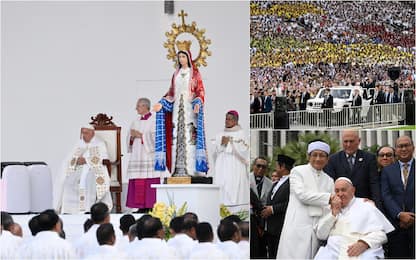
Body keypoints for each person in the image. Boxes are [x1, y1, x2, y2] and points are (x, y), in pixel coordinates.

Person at [153, 46, 208, 176]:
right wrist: (161, 103)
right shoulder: (176, 74)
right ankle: (176, 169)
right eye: (179, 57)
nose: (181, 59)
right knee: (176, 135)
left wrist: (198, 101)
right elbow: (171, 92)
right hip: (177, 108)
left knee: (190, 136)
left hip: (190, 109)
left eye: (183, 56)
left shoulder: (194, 73)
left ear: (188, 58)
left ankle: (192, 170)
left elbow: (200, 90)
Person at [277, 140, 336, 259]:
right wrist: (328, 198)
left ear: (327, 159)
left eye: (322, 155)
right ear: (308, 156)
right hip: (297, 226)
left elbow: (331, 206)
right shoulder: (298, 171)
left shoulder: (329, 180)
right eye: (315, 155)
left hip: (317, 229)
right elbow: (302, 195)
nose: (318, 159)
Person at [315, 177, 394, 259]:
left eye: (343, 190)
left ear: (353, 190)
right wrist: (333, 214)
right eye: (337, 191)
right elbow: (321, 235)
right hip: (334, 251)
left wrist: (364, 243)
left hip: (361, 251)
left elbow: (381, 234)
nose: (340, 194)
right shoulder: (329, 209)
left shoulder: (366, 205)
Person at [56, 125, 112, 214]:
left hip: (94, 170)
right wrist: (75, 160)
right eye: (82, 133)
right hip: (79, 169)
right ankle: (69, 209)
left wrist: (86, 160)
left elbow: (104, 158)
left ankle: (88, 209)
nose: (83, 135)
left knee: (88, 181)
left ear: (92, 133)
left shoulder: (99, 143)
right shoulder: (79, 143)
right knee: (68, 181)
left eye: (86, 133)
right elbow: (70, 158)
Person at [324, 130, 382, 209]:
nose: (348, 144)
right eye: (345, 141)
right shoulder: (333, 159)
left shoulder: (369, 158)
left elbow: (374, 183)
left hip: (364, 204)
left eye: (351, 141)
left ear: (359, 141)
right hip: (341, 205)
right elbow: (330, 184)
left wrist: (375, 204)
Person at [381, 136, 415, 258]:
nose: (404, 148)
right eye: (400, 146)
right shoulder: (387, 171)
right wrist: (400, 214)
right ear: (396, 150)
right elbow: (386, 195)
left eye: (407, 145)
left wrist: (411, 216)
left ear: (413, 148)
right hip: (396, 225)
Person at [126, 98, 158, 212]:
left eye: (138, 106)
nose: (136, 108)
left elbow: (156, 138)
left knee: (149, 180)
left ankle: (149, 205)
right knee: (138, 179)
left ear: (145, 106)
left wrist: (141, 135)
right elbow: (128, 139)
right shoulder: (135, 121)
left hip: (147, 156)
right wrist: (131, 137)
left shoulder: (154, 120)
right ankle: (139, 206)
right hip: (137, 155)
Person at [214, 110, 249, 211]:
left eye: (229, 119)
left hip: (235, 164)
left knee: (234, 186)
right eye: (226, 119)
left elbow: (244, 150)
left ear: (235, 121)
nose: (227, 121)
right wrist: (222, 143)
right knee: (223, 184)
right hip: (222, 164)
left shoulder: (241, 133)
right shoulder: (220, 133)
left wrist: (230, 143)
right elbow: (216, 149)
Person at [261, 154, 295, 258]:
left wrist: (273, 209)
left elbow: (291, 202)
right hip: (270, 228)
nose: (275, 167)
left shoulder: (292, 182)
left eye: (277, 165)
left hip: (280, 228)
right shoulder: (277, 183)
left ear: (283, 166)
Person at [249, 156, 273, 258]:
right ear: (253, 166)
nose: (260, 169)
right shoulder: (245, 178)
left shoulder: (270, 184)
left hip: (262, 221)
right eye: (258, 166)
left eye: (264, 167)